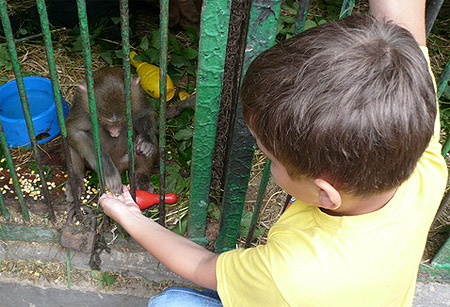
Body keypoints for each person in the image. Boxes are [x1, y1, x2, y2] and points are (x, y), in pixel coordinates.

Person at [99, 0, 448, 305]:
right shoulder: (424, 159)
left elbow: (202, 266)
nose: (267, 160)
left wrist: (130, 216)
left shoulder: (293, 273)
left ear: (325, 193)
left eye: (271, 159)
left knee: (170, 303)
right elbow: (406, 33)